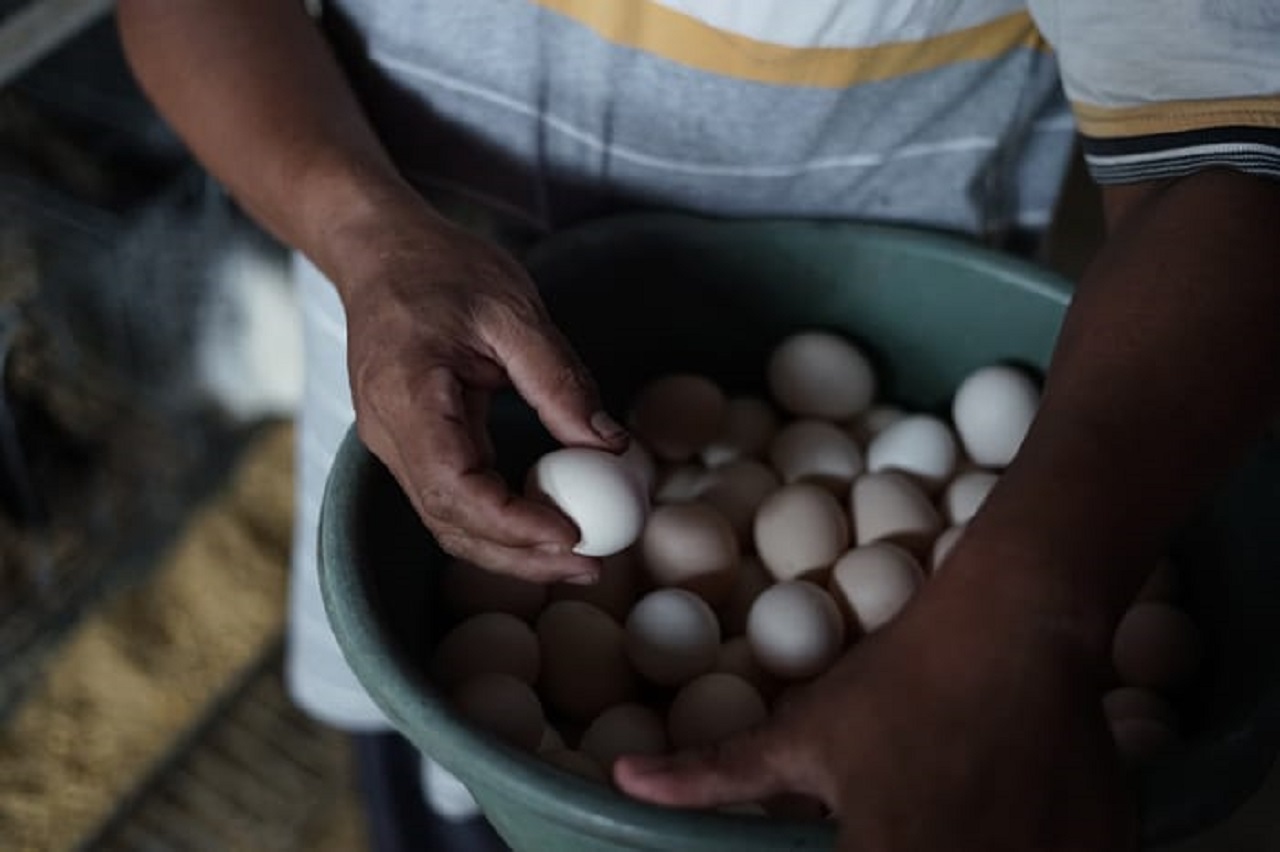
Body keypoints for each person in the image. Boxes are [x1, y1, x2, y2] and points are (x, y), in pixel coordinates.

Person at [114, 1, 1280, 849]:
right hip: (414, 373)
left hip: (866, 318)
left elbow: (1225, 173)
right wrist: (365, 237)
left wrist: (1026, 604)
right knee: (448, 757)